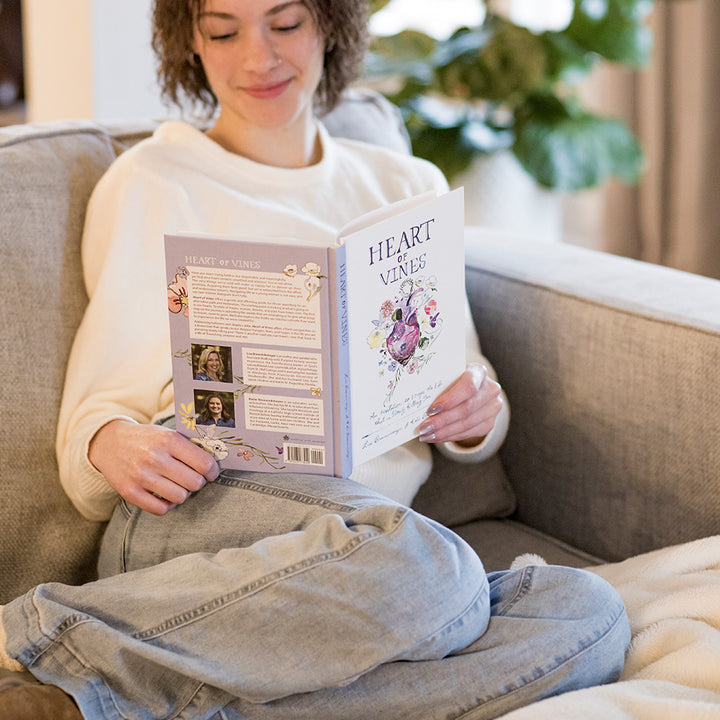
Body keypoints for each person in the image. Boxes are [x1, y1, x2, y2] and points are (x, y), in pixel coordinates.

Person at [0, 1, 630, 718]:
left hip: (357, 552)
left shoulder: (405, 185)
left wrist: (474, 408)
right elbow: (96, 410)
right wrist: (111, 442)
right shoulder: (155, 177)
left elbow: (462, 375)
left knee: (588, 616)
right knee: (436, 575)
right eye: (224, 31)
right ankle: (38, 635)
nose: (257, 58)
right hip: (202, 506)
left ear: (330, 26)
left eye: (285, 23)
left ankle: (114, 701)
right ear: (192, 46)